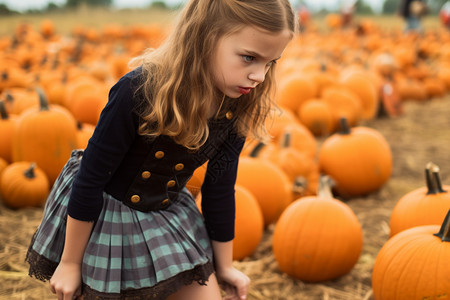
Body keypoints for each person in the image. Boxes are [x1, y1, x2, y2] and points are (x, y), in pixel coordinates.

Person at [25, 0, 296, 299]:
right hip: (104, 214)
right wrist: (70, 263)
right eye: (249, 58)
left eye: (270, 63)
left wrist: (225, 266)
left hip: (164, 212)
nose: (259, 75)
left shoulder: (235, 108)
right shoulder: (137, 92)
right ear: (205, 37)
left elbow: (219, 191)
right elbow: (90, 180)